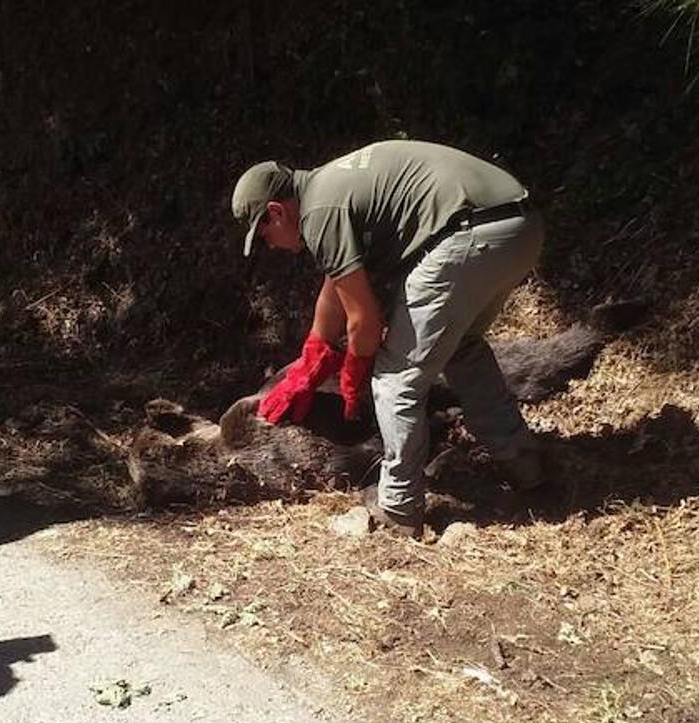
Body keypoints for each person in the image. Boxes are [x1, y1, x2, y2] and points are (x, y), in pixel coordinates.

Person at [232, 140, 546, 539]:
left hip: (467, 236)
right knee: (462, 348)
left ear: (276, 212)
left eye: (264, 236)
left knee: (396, 377)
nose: (271, 246)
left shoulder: (320, 214)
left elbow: (364, 320)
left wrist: (354, 378)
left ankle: (397, 508)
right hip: (520, 227)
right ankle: (522, 462)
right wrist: (311, 359)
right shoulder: (331, 188)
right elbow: (336, 287)